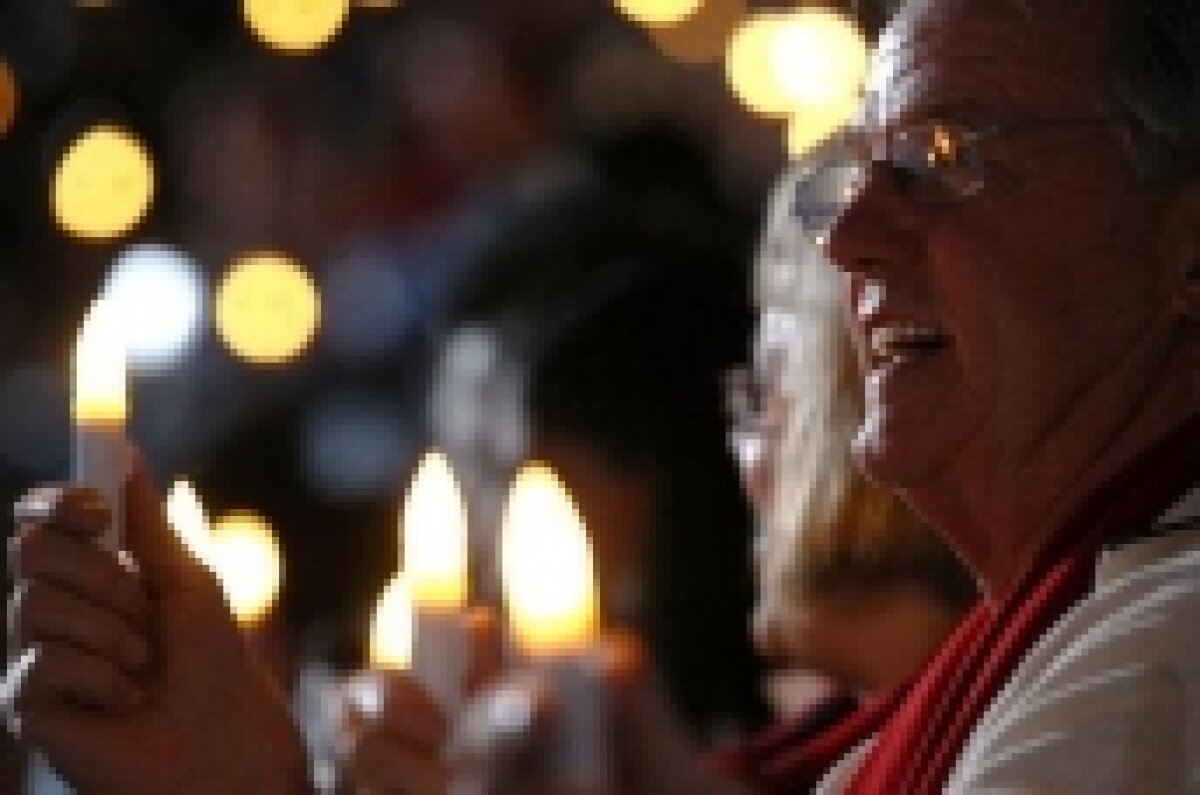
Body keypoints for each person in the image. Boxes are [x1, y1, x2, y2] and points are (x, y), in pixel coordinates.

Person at [6, 0, 1200, 792]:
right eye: (860, 169)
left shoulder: (1164, 659)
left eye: (945, 155)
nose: (856, 241)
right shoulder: (1036, 641)